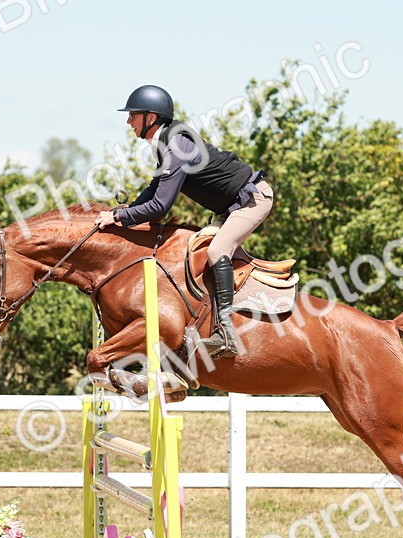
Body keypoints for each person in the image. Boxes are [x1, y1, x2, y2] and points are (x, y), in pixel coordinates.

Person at [96, 85, 273, 357]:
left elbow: (159, 207)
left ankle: (225, 333)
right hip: (231, 207)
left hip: (252, 200)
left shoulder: (176, 144)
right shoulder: (167, 141)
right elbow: (155, 188)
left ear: (151, 118)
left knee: (216, 251)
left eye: (133, 115)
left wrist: (120, 216)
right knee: (194, 250)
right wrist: (125, 211)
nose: (128, 121)